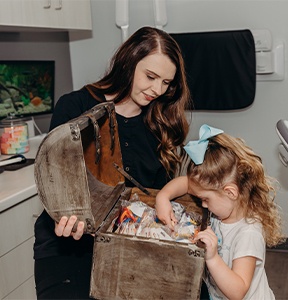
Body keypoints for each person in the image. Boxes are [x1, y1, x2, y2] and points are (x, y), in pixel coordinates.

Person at [34, 26, 192, 299]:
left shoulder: (161, 121)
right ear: (128, 63)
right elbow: (57, 180)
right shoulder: (74, 106)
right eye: (151, 76)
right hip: (69, 245)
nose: (157, 89)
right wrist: (64, 215)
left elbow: (157, 195)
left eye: (166, 83)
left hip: (129, 244)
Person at [156, 124, 286, 300]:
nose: (203, 204)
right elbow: (186, 183)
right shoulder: (224, 207)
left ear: (230, 192)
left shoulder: (248, 233)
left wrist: (213, 258)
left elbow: (238, 291)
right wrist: (163, 197)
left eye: (206, 199)